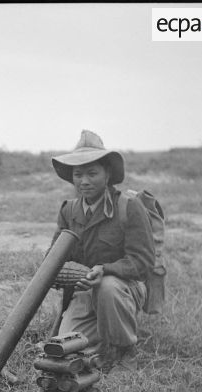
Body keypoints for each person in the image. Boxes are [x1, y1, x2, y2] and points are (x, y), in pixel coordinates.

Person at [48, 130, 155, 371]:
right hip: (84, 292)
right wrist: (64, 274)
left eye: (92, 173)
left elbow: (142, 262)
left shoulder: (129, 207)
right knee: (64, 349)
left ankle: (123, 350)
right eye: (78, 174)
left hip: (123, 289)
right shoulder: (69, 210)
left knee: (107, 287)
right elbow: (53, 258)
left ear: (107, 175)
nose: (84, 181)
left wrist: (105, 270)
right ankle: (101, 338)